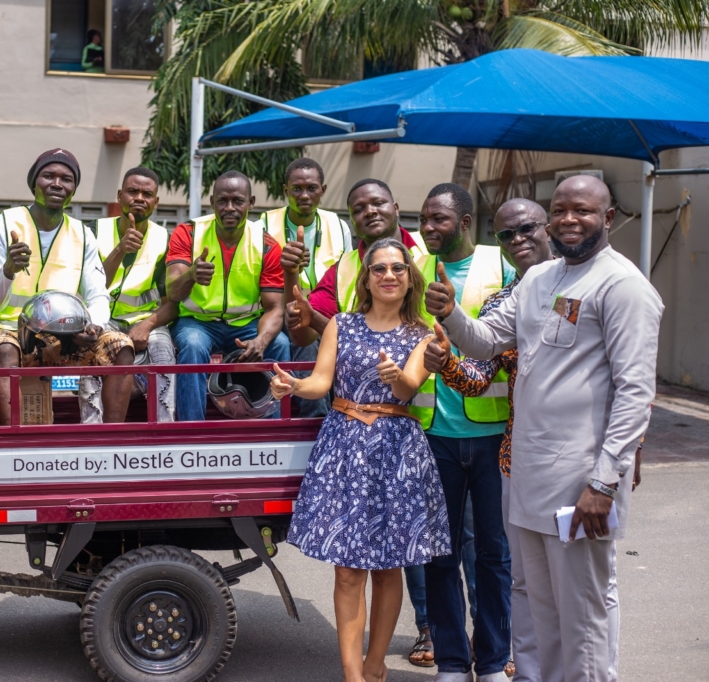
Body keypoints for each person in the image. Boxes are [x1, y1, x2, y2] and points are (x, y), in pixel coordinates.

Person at [426, 175, 662, 682]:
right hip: (527, 477)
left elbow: (635, 392)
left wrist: (604, 482)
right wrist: (452, 316)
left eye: (583, 210)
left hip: (581, 482)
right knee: (534, 600)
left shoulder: (623, 287)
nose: (569, 219)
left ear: (609, 217)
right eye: (561, 210)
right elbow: (488, 340)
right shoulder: (538, 279)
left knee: (583, 607)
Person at [271, 237, 450, 682]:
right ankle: (353, 675)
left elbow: (408, 388)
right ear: (367, 279)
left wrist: (397, 377)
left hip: (396, 450)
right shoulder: (341, 325)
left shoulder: (423, 334)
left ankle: (376, 666)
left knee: (389, 568)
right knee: (349, 571)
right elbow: (321, 382)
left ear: (410, 279)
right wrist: (294, 386)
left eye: (398, 269)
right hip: (345, 446)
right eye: (379, 269)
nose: (389, 275)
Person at [424, 198, 553, 680]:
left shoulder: (589, 284)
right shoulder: (509, 298)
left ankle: (498, 660)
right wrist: (449, 363)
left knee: (509, 561)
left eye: (527, 229)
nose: (518, 240)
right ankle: (455, 661)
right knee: (456, 554)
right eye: (507, 234)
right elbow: (480, 368)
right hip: (499, 445)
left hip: (535, 448)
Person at [0, 149, 134, 424]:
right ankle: (13, 440)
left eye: (66, 179)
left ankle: (113, 440)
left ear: (73, 189)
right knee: (4, 350)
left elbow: (98, 293)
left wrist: (94, 325)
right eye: (48, 176)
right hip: (9, 330)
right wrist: (8, 270)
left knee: (121, 345)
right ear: (33, 183)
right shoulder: (1, 224)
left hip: (64, 334)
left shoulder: (82, 234)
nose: (57, 184)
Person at [167, 170, 290, 421]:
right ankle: (191, 432)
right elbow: (172, 292)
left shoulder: (266, 244)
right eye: (222, 201)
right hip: (198, 322)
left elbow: (275, 308)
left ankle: (272, 427)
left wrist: (261, 341)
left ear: (251, 203)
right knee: (191, 345)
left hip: (246, 323)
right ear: (211, 202)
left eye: (238, 201)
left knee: (280, 344)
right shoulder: (188, 233)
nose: (229, 208)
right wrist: (190, 275)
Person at [285, 178, 425, 349]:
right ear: (352, 222)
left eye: (379, 203)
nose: (370, 212)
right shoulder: (340, 270)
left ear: (396, 209)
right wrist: (291, 273)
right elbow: (303, 337)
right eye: (359, 209)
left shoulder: (431, 250)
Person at [263, 157, 351, 417]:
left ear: (322, 190)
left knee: (319, 333)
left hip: (325, 313)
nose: (304, 195)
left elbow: (344, 279)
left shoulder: (338, 225)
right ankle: (314, 418)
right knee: (301, 336)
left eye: (311, 188)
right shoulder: (264, 225)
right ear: (285, 190)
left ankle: (328, 413)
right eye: (296, 188)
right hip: (277, 312)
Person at [88, 167, 177, 422]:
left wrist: (147, 325)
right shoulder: (93, 231)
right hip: (102, 319)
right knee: (92, 353)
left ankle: (164, 431)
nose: (139, 198)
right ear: (119, 196)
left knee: (163, 355)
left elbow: (172, 303)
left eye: (147, 193)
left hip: (146, 320)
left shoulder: (164, 238)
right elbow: (90, 287)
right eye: (132, 191)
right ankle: (91, 429)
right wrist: (119, 249)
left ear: (156, 202)